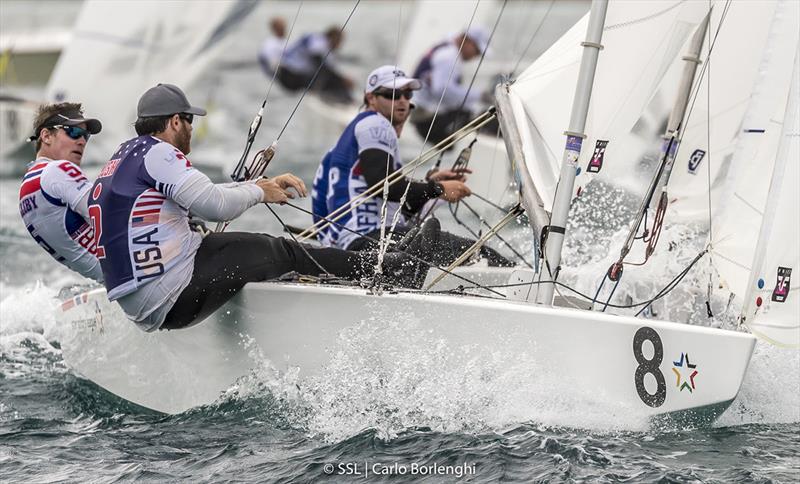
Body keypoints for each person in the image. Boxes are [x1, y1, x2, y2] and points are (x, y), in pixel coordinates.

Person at [89, 83, 430, 332]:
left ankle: (357, 270)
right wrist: (259, 191)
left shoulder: (122, 157)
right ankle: (388, 271)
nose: (192, 129)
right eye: (189, 121)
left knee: (255, 251)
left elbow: (200, 193)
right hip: (172, 294)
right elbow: (213, 205)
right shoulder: (159, 153)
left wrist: (256, 185)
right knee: (280, 250)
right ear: (176, 121)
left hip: (140, 301)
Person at [312, 65, 511, 268]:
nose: (402, 101)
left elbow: (386, 199)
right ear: (371, 98)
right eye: (392, 94)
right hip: (370, 239)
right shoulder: (375, 124)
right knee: (485, 257)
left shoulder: (341, 149)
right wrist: (438, 189)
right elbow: (384, 185)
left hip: (354, 244)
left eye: (407, 95)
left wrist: (431, 188)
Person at [19, 102, 104, 282]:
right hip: (138, 274)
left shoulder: (25, 189)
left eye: (85, 136)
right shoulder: (57, 170)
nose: (81, 141)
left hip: (113, 283)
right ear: (46, 136)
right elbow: (105, 213)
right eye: (73, 132)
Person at [411, 26, 494, 146]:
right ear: (466, 40)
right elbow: (442, 91)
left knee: (474, 114)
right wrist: (480, 95)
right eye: (476, 51)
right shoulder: (449, 57)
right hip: (429, 121)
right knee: (487, 122)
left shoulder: (446, 46)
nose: (476, 56)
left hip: (423, 116)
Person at [276, 26, 353, 103]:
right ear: (333, 37)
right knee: (334, 80)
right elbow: (318, 62)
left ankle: (345, 100)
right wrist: (342, 79)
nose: (340, 45)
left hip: (293, 75)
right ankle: (345, 102)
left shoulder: (325, 47)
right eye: (340, 41)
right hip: (289, 75)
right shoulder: (319, 41)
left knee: (332, 79)